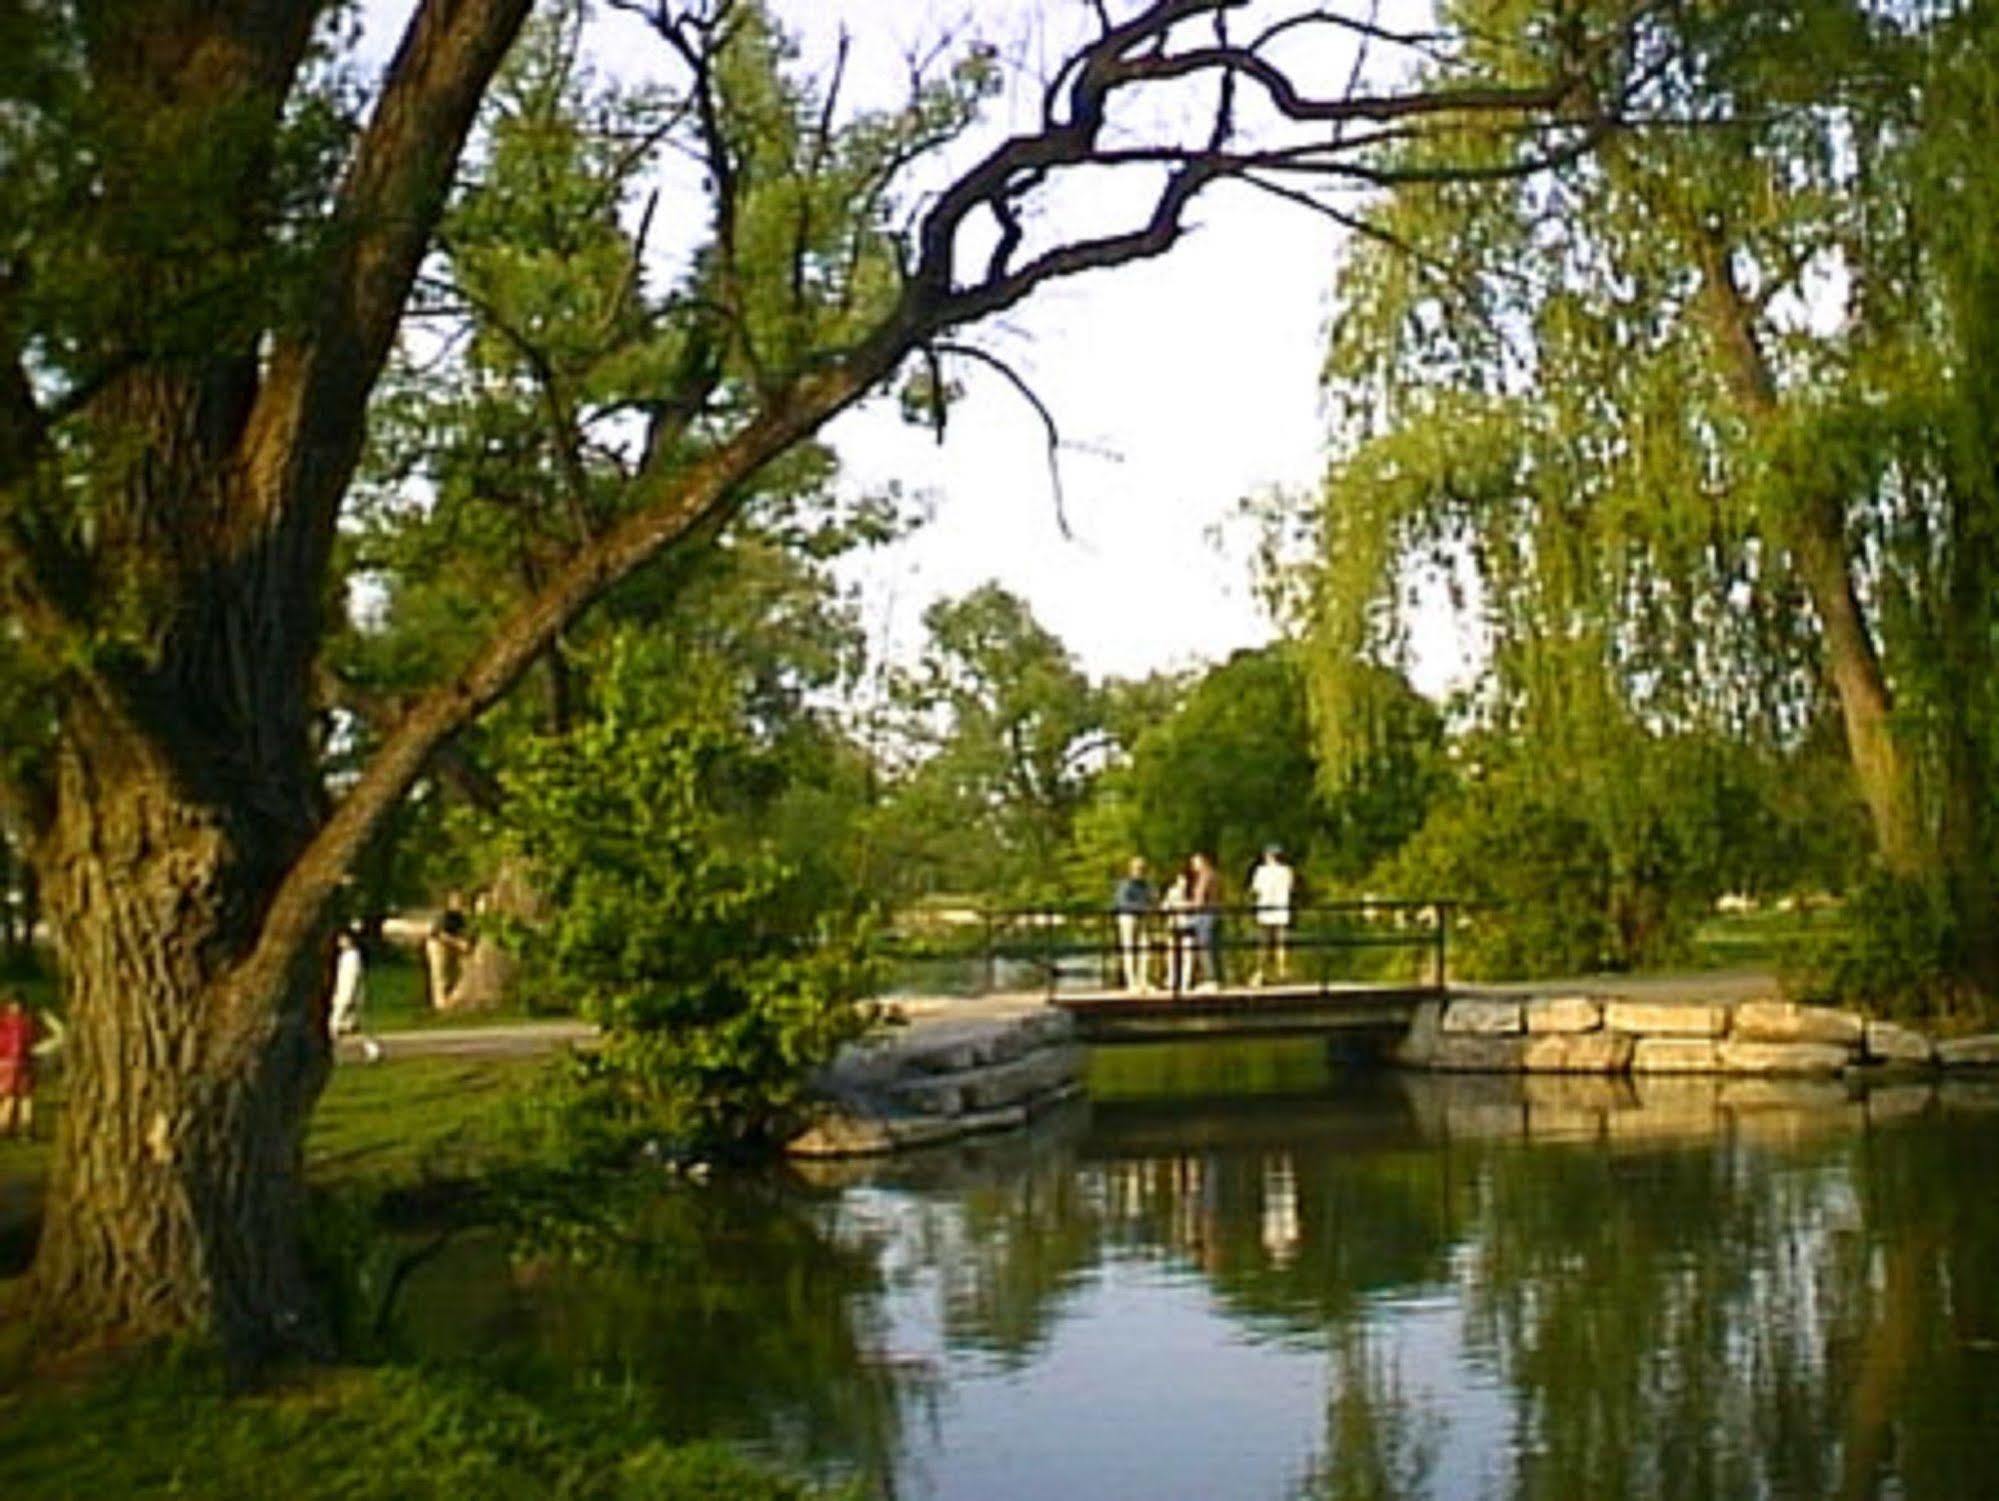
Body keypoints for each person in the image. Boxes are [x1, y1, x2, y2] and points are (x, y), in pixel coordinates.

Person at [0, 991, 61, 1140]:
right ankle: (15, 1127)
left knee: (17, 1097)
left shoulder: (11, 1022)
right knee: (17, 1097)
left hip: (15, 1063)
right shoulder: (26, 1022)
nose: (16, 1007)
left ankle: (11, 1126)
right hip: (16, 1063)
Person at [329, 927, 382, 1063]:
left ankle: (333, 1054)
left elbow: (350, 979)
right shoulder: (345, 956)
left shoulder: (352, 957)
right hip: (346, 994)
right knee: (362, 1026)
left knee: (333, 1025)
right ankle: (372, 1049)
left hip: (347, 996)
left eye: (343, 939)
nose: (340, 942)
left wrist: (346, 998)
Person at [1250, 845, 1296, 985]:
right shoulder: (1287, 871)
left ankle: (1260, 972)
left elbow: (1255, 889)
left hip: (1265, 910)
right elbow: (1291, 887)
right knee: (1281, 943)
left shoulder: (1261, 871)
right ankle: (1282, 970)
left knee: (1263, 945)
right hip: (1282, 910)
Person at [1111, 857, 1156, 993]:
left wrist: (1151, 905)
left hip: (1142, 919)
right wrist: (1142, 907)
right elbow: (1121, 903)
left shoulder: (1146, 885)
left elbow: (1152, 899)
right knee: (1129, 949)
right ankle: (1131, 983)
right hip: (1128, 918)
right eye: (1137, 868)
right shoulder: (1125, 884)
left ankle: (1144, 981)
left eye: (1142, 868)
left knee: (1145, 949)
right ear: (1131, 869)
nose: (1140, 871)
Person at [424, 890, 474, 1010]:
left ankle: (452, 1000)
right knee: (439, 973)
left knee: (455, 972)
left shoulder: (462, 917)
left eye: (461, 900)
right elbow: (438, 933)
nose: (459, 903)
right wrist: (458, 943)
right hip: (437, 945)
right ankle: (440, 1004)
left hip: (452, 946)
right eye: (456, 900)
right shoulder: (445, 915)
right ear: (450, 902)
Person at [1188, 851, 1223, 991]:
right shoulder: (1216, 876)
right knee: (1214, 948)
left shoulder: (1204, 877)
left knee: (1205, 947)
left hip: (1204, 915)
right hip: (1216, 913)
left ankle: (1210, 980)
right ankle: (1218, 979)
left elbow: (1199, 900)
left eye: (1195, 863)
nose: (1193, 866)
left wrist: (1186, 905)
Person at [1160, 867, 1194, 995]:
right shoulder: (1172, 891)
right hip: (1173, 925)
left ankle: (1186, 982)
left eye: (1184, 880)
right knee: (1171, 954)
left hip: (1188, 925)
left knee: (1188, 953)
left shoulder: (1192, 891)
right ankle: (1172, 980)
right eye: (1181, 880)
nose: (1183, 883)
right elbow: (1165, 906)